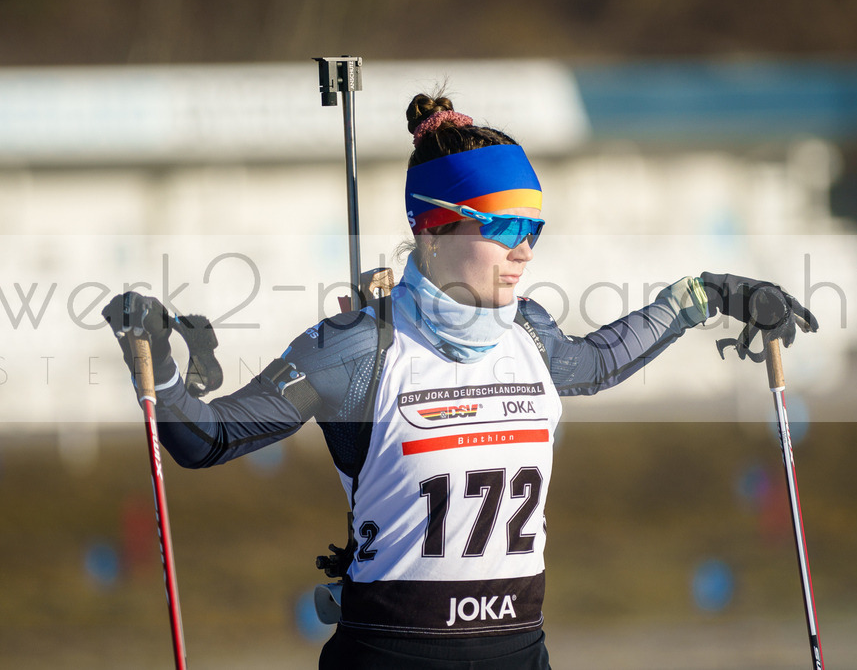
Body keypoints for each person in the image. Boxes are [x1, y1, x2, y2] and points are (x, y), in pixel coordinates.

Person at [103, 92, 817, 669]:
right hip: (390, 654)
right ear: (439, 228)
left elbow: (601, 359)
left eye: (536, 227)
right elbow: (205, 437)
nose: (527, 249)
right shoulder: (358, 348)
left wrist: (711, 292)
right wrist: (162, 363)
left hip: (518, 651)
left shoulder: (530, 334)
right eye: (507, 229)